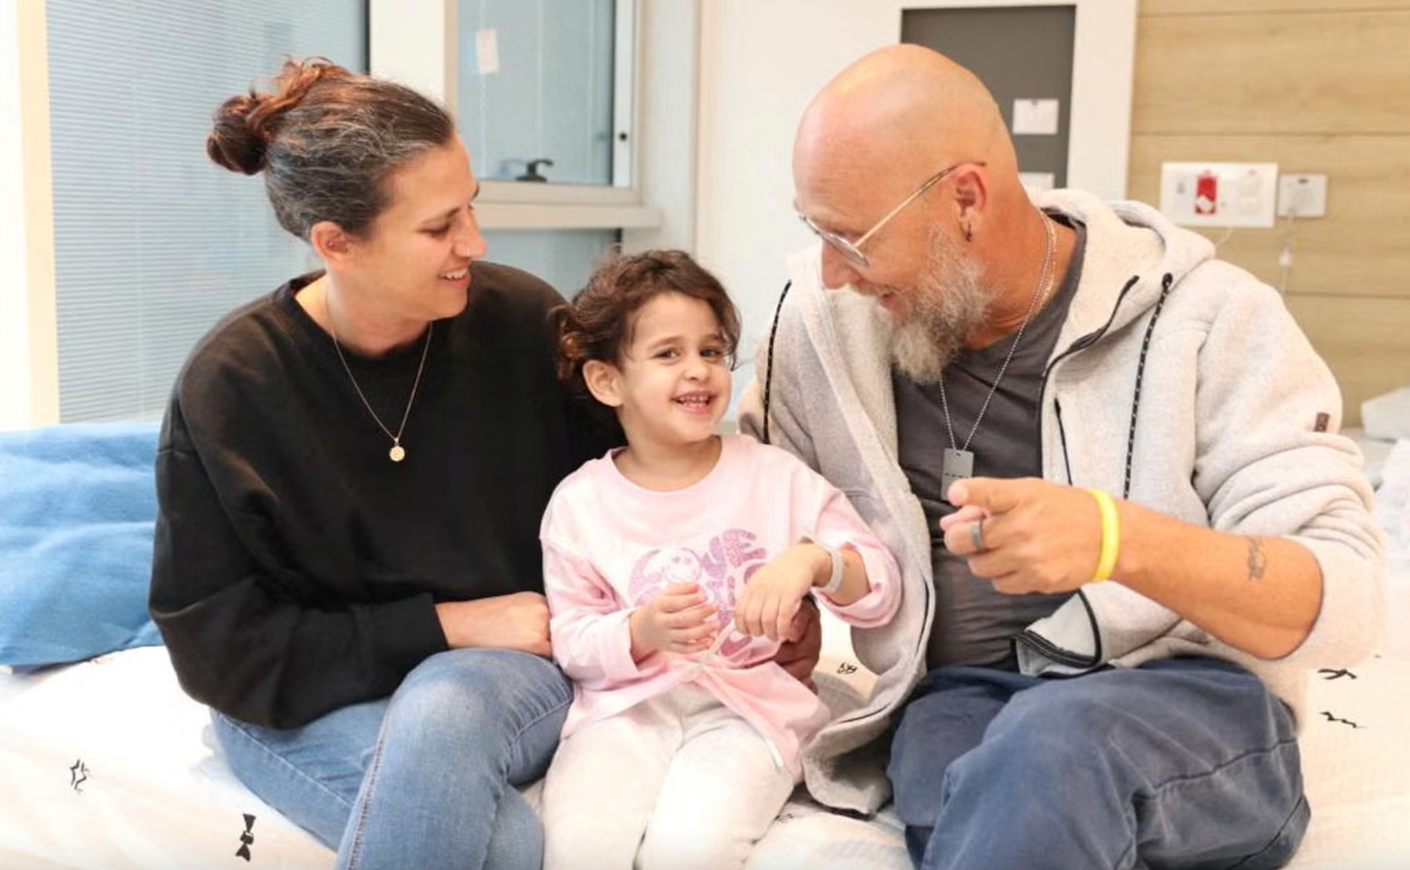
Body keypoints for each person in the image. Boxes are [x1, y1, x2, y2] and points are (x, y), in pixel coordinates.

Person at [146, 59, 823, 870]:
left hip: (497, 683)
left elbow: (650, 480)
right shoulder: (231, 387)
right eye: (439, 228)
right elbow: (220, 649)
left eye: (471, 207)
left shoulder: (522, 323)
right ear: (337, 243)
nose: (475, 242)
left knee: (443, 709)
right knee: (508, 846)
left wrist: (765, 584)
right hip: (298, 700)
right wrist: (448, 623)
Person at [739, 44, 1386, 870]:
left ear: (966, 198)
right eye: (814, 231)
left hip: (1191, 701)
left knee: (1050, 748)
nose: (831, 273)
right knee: (984, 770)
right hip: (958, 701)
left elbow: (1349, 601)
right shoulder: (820, 328)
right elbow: (747, 488)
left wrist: (1118, 541)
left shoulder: (1213, 323)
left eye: (850, 238)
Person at [538, 250, 902, 870]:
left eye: (710, 352)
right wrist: (640, 631)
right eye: (668, 354)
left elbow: (882, 586)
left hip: (749, 712)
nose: (698, 372)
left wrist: (812, 562)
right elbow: (570, 639)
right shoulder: (579, 503)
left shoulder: (776, 477)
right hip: (625, 712)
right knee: (580, 846)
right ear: (607, 382)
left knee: (691, 848)